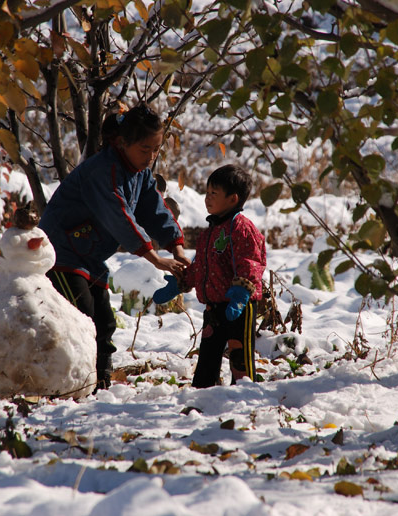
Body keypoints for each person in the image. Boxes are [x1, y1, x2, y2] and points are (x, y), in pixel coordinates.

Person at [39, 103, 190, 391]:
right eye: (145, 149)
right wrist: (156, 259)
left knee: (104, 322)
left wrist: (177, 247)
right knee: (80, 315)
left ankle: (100, 380)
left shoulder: (140, 172)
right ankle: (70, 380)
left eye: (156, 150)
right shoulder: (103, 171)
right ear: (122, 142)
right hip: (61, 252)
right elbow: (120, 217)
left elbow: (155, 210)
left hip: (89, 256)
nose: (151, 156)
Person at [153, 164, 266, 387]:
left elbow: (251, 263)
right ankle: (203, 393)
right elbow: (202, 266)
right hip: (214, 308)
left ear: (233, 199)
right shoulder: (209, 232)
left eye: (213, 194)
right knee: (208, 357)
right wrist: (182, 281)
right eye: (207, 192)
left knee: (239, 360)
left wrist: (242, 293)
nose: (207, 198)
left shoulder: (241, 228)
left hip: (239, 307)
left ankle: (244, 396)